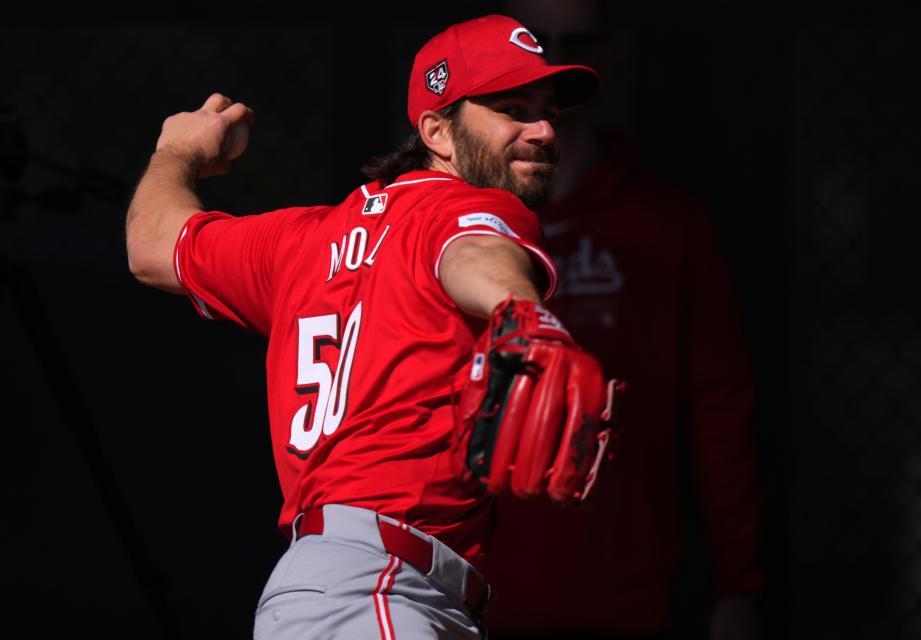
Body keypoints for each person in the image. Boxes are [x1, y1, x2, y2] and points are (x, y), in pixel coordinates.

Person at [125, 14, 607, 640]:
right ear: (438, 130)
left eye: (548, 112)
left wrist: (178, 153)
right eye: (513, 108)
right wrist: (521, 311)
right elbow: (470, 253)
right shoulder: (469, 206)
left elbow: (151, 244)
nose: (543, 130)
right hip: (378, 587)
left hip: (341, 587)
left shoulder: (301, 242)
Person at [482, 1, 765, 639]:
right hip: (471, 587)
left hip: (630, 591)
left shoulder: (667, 224)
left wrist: (739, 587)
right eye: (533, 41)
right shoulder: (454, 227)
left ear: (606, 54)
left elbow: (720, 409)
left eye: (572, 41)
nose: (551, 62)